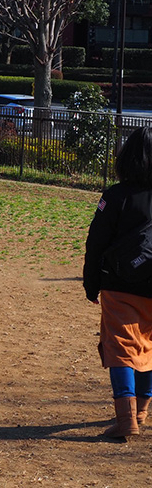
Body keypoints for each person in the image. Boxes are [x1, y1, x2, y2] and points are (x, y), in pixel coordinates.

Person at [83, 126, 152, 439]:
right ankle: (141, 411)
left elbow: (95, 242)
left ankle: (126, 421)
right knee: (150, 347)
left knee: (122, 348)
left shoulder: (114, 196)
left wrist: (90, 282)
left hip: (120, 283)